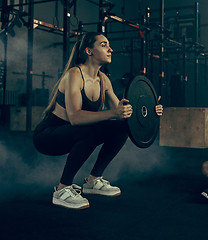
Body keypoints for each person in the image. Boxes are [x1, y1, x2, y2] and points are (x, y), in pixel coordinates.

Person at [33, 32, 163, 210]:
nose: (111, 49)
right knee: (90, 129)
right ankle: (62, 190)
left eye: (109, 45)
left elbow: (123, 116)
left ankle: (93, 181)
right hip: (47, 136)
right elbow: (76, 118)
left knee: (120, 127)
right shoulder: (74, 75)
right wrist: (113, 113)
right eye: (103, 45)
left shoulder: (104, 80)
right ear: (89, 51)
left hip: (74, 133)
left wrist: (149, 111)